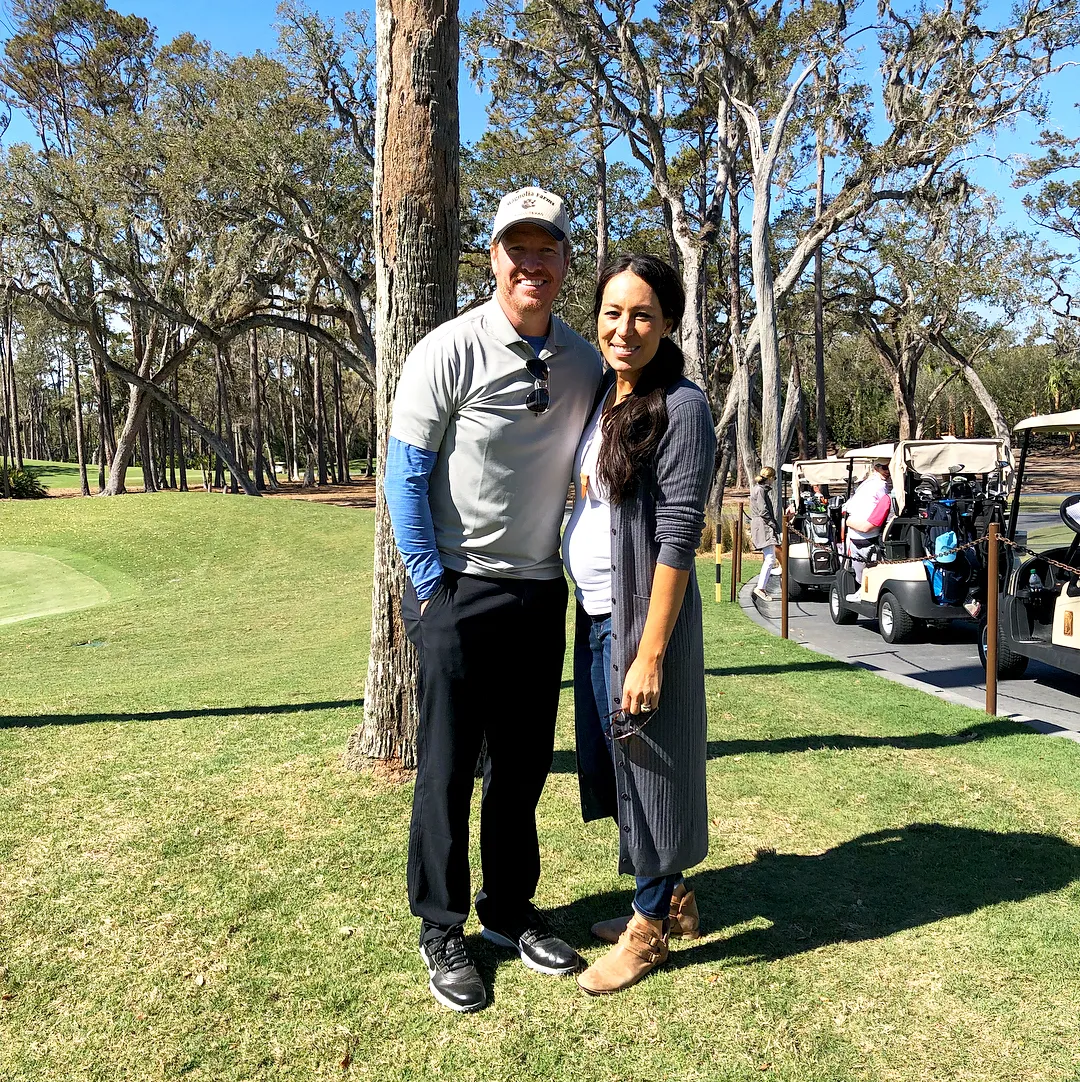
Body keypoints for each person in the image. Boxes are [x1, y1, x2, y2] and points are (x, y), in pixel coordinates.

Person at [384, 187, 603, 1013]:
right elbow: (403, 478)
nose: (532, 262)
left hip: (540, 590)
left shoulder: (584, 360)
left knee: (520, 768)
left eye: (547, 248)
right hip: (456, 587)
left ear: (565, 263)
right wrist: (431, 587)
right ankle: (441, 926)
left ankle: (509, 911)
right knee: (445, 767)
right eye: (518, 247)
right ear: (494, 259)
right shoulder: (449, 349)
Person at [561, 253, 715, 995]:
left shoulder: (681, 407)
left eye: (643, 314)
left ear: (668, 323)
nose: (625, 327)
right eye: (614, 312)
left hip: (638, 626)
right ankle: (674, 897)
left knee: (649, 765)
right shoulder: (608, 397)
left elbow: (679, 537)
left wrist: (649, 654)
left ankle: (648, 927)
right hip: (595, 615)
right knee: (625, 765)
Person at [843, 459, 892, 600]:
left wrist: (850, 522)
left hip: (857, 534)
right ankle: (865, 592)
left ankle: (862, 591)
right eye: (884, 467)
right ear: (876, 468)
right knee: (870, 568)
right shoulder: (880, 485)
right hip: (866, 534)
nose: (887, 471)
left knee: (862, 570)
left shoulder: (866, 484)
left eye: (889, 467)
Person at [749, 465, 782, 601]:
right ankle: (760, 588)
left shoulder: (759, 489)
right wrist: (772, 524)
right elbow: (763, 511)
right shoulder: (760, 491)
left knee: (770, 557)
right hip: (763, 525)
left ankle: (762, 586)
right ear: (769, 478)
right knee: (769, 558)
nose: (773, 481)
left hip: (762, 524)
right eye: (773, 478)